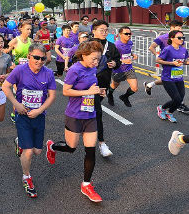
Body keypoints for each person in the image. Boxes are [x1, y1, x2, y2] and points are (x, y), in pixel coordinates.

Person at [46, 41, 105, 203]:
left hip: (90, 114)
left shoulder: (92, 68)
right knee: (71, 148)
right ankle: (51, 146)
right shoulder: (74, 70)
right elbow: (66, 91)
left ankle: (86, 184)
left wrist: (98, 92)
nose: (96, 62)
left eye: (98, 59)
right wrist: (89, 91)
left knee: (90, 150)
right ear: (84, 55)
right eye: (93, 59)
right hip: (74, 115)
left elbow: (91, 88)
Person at [2, 43, 56, 198]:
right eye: (36, 58)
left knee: (37, 151)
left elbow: (52, 96)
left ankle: (20, 141)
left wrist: (39, 110)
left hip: (39, 116)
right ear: (29, 57)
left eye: (42, 58)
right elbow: (6, 86)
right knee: (29, 152)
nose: (39, 61)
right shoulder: (20, 70)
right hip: (23, 116)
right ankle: (27, 176)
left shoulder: (48, 74)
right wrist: (16, 104)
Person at [144, 21, 189, 112]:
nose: (180, 29)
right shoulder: (162, 38)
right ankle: (178, 103)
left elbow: (183, 50)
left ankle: (150, 84)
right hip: (167, 60)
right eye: (178, 27)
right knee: (168, 79)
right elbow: (151, 47)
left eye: (181, 28)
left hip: (177, 64)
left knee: (171, 80)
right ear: (172, 28)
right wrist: (158, 56)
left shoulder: (180, 37)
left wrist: (188, 58)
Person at [90, 20, 121, 157]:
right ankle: (102, 143)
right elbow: (76, 60)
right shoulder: (87, 45)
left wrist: (115, 63)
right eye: (101, 30)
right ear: (94, 31)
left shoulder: (111, 46)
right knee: (98, 112)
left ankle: (90, 129)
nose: (104, 32)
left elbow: (118, 61)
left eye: (106, 30)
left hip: (103, 84)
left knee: (93, 111)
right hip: (88, 85)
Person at [156, 30, 189, 123]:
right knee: (177, 99)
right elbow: (158, 60)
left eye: (183, 38)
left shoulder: (183, 50)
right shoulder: (167, 49)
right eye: (179, 38)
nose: (182, 39)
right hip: (167, 78)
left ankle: (169, 112)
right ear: (172, 38)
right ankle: (162, 108)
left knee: (180, 99)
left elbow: (183, 61)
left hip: (179, 77)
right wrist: (171, 63)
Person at [107, 26, 138, 107]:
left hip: (129, 69)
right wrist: (123, 61)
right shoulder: (116, 45)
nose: (129, 35)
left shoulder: (130, 43)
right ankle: (110, 94)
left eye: (130, 33)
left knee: (134, 88)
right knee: (114, 85)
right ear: (120, 34)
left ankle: (124, 97)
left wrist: (133, 54)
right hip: (118, 70)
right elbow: (111, 59)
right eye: (126, 34)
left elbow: (128, 51)